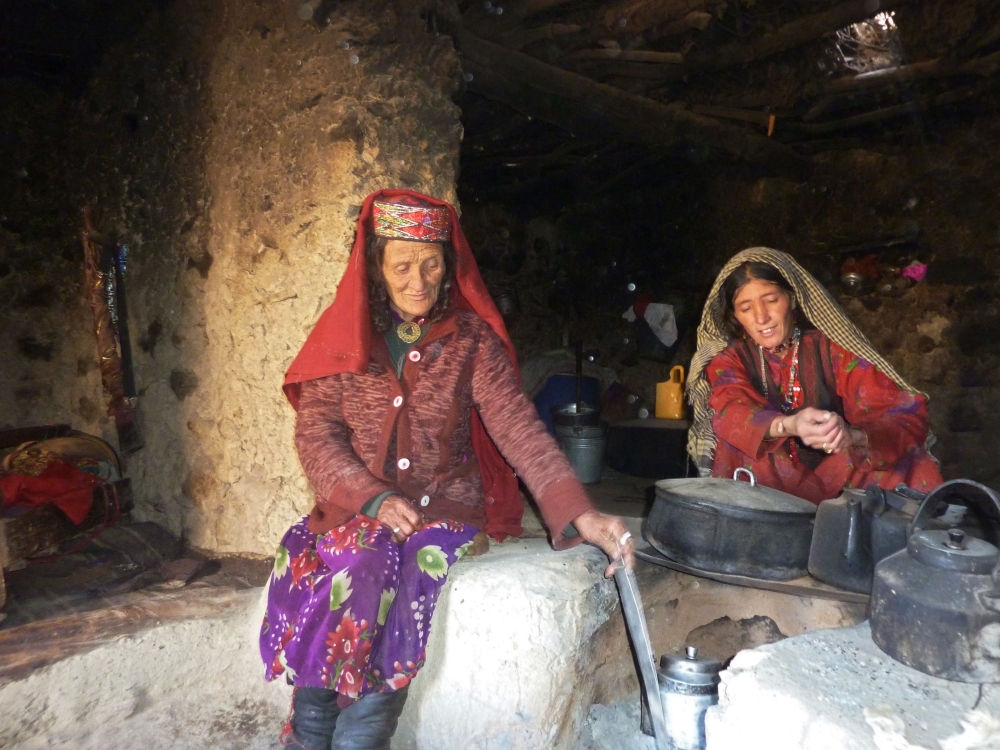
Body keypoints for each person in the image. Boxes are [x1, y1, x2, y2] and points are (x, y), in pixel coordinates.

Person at [260, 190, 635, 750]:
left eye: (431, 264)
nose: (419, 281)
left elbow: (519, 428)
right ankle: (311, 735)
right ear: (376, 268)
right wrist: (372, 497)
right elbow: (317, 435)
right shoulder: (342, 337)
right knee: (359, 555)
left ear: (448, 263)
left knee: (408, 564)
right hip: (356, 507)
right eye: (403, 265)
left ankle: (360, 741)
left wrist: (578, 511)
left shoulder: (471, 340)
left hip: (443, 508)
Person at [687, 247, 943, 503]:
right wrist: (791, 425)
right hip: (769, 485)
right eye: (746, 308)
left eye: (772, 300)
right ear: (735, 316)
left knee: (899, 453)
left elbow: (894, 410)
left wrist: (850, 435)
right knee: (737, 444)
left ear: (793, 298)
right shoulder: (729, 360)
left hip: (843, 479)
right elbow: (731, 411)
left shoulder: (834, 348)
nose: (761, 317)